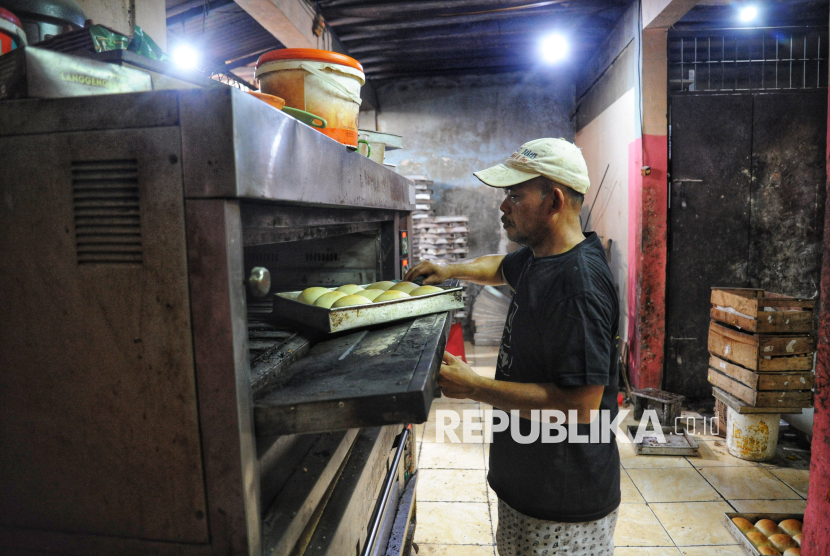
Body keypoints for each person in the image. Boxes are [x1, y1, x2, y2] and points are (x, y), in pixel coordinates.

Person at [405, 138, 620, 556]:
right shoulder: (543, 256)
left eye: (514, 196)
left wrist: (475, 386)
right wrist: (448, 269)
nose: (503, 207)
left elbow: (581, 406)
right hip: (528, 483)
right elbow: (499, 267)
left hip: (561, 500)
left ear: (554, 200)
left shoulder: (578, 285)